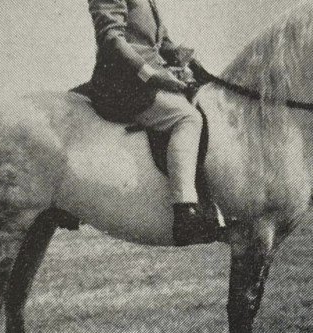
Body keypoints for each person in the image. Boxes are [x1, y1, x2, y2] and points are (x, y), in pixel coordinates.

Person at [87, 0, 220, 246]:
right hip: (122, 83)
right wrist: (151, 75)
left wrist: (183, 56)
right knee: (188, 118)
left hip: (147, 77)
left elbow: (160, 42)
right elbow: (112, 39)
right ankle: (184, 212)